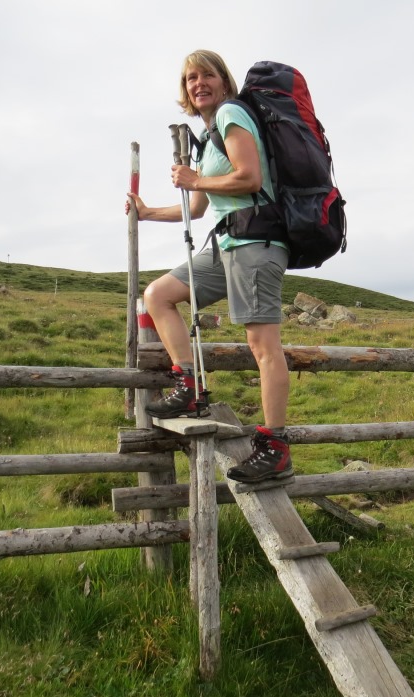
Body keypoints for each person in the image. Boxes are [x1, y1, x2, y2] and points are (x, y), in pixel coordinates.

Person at [125, 49, 292, 484]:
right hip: (224, 243)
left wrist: (195, 178)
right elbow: (196, 209)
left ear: (223, 80)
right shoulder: (208, 136)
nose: (198, 83)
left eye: (207, 75)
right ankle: (190, 385)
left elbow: (249, 178)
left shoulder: (234, 114)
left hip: (256, 242)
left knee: (262, 346)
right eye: (190, 78)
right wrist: (146, 212)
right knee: (158, 295)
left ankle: (274, 448)